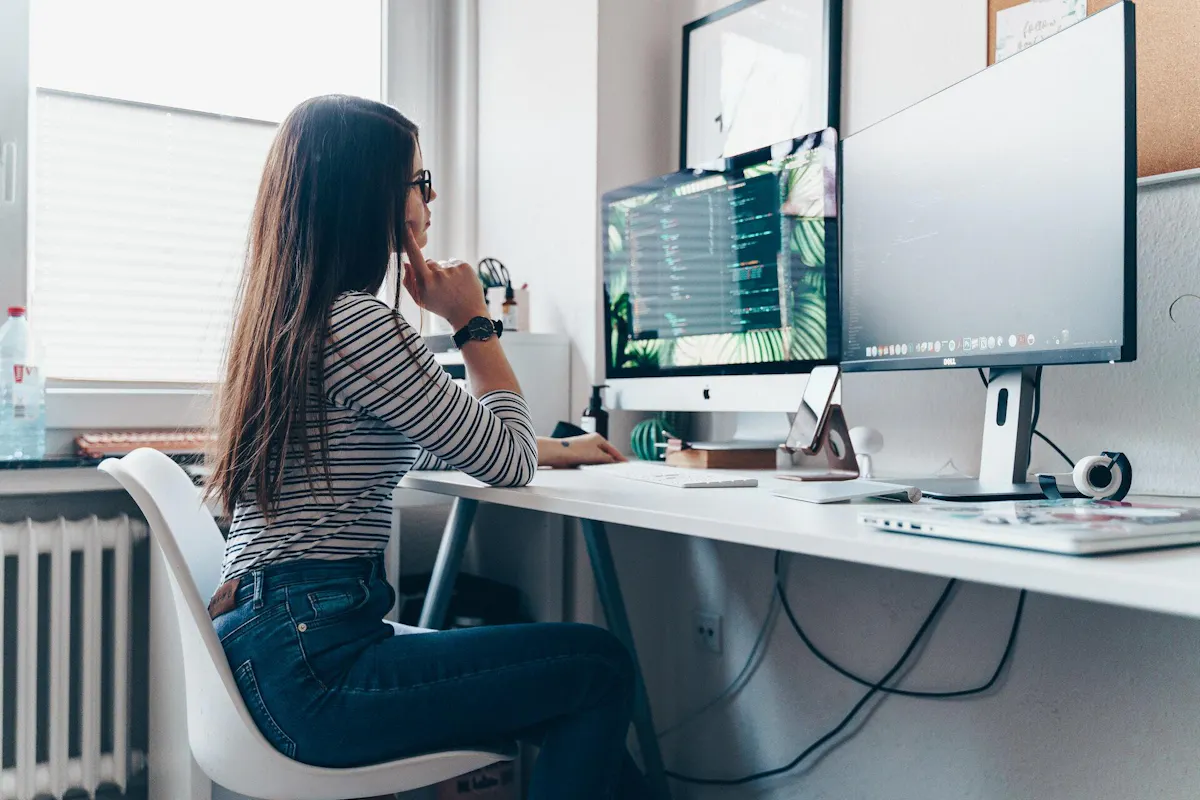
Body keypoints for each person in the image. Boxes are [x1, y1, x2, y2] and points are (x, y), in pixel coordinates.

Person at [204, 94, 648, 800]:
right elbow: (504, 463)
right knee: (596, 667)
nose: (430, 199)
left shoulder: (292, 317)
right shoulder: (358, 324)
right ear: (373, 190)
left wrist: (556, 448)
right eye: (419, 181)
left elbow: (429, 439)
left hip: (273, 647)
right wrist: (473, 322)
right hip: (315, 668)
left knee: (576, 680)